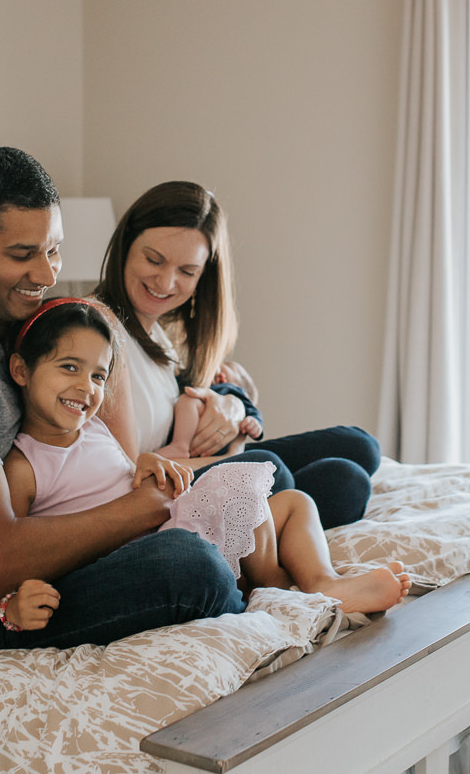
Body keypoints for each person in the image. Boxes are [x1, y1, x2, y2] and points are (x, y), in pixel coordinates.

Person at [0, 147, 244, 650]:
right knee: (193, 565)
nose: (46, 274)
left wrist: (226, 403)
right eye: (21, 255)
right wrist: (146, 507)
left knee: (291, 471)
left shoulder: (23, 329)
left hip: (59, 556)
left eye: (53, 250)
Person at [0, 298, 410, 639]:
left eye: (98, 376)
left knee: (294, 500)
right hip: (145, 550)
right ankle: (281, 588)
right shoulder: (24, 467)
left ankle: (323, 581)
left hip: (173, 518)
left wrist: (146, 464)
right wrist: (10, 605)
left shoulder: (94, 429)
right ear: (20, 369)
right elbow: (6, 559)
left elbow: (122, 471)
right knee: (242, 483)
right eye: (69, 368)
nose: (85, 387)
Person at [96, 181, 380, 529]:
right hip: (161, 487)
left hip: (194, 465)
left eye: (187, 271)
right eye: (154, 260)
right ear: (125, 245)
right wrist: (235, 452)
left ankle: (280, 523)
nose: (166, 282)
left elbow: (200, 400)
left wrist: (231, 405)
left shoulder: (160, 336)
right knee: (291, 472)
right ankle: (279, 528)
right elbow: (130, 474)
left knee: (358, 450)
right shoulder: (99, 330)